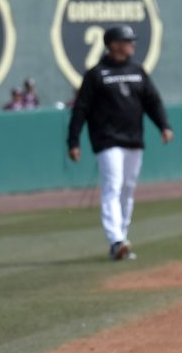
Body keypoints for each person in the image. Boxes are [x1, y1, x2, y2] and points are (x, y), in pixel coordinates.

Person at [67, 24, 174, 260]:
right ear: (114, 45)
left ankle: (122, 239)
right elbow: (81, 109)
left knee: (128, 189)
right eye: (127, 41)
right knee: (113, 186)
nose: (132, 44)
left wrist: (164, 126)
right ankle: (116, 239)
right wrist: (73, 141)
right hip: (107, 140)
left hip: (134, 139)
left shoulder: (137, 71)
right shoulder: (97, 74)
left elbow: (152, 101)